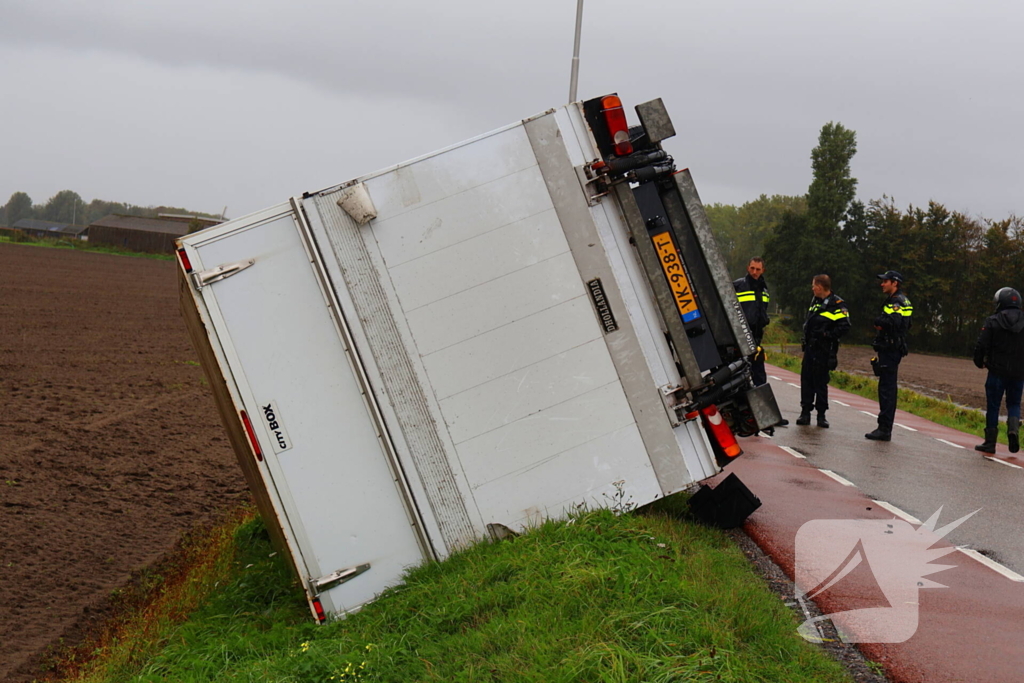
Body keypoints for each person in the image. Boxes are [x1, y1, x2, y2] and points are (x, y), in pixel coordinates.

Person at [734, 257, 789, 430]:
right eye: (752, 268)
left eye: (758, 269)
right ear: (747, 267)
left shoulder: (764, 290)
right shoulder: (738, 285)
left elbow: (761, 314)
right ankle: (743, 414)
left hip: (756, 339)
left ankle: (767, 415)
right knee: (739, 378)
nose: (754, 272)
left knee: (759, 376)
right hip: (740, 338)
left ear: (763, 270)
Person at [972, 287, 1024, 454]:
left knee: (993, 405)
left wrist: (979, 361)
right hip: (1018, 372)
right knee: (1014, 403)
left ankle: (990, 442)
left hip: (996, 371)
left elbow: (982, 344)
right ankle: (1013, 430)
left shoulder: (993, 321)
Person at [865, 270, 913, 441]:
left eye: (885, 281)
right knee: (887, 387)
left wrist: (878, 322)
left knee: (887, 389)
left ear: (895, 283)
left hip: (890, 349)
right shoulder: (900, 300)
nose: (882, 284)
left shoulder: (897, 302)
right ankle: (884, 427)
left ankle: (884, 429)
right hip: (891, 348)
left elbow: (895, 323)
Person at [797, 274, 851, 427]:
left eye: (814, 285)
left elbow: (845, 326)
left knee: (820, 382)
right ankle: (805, 413)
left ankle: (821, 415)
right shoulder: (815, 301)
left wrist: (827, 335)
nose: (812, 288)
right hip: (810, 348)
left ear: (820, 286)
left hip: (824, 349)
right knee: (806, 380)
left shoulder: (837, 304)